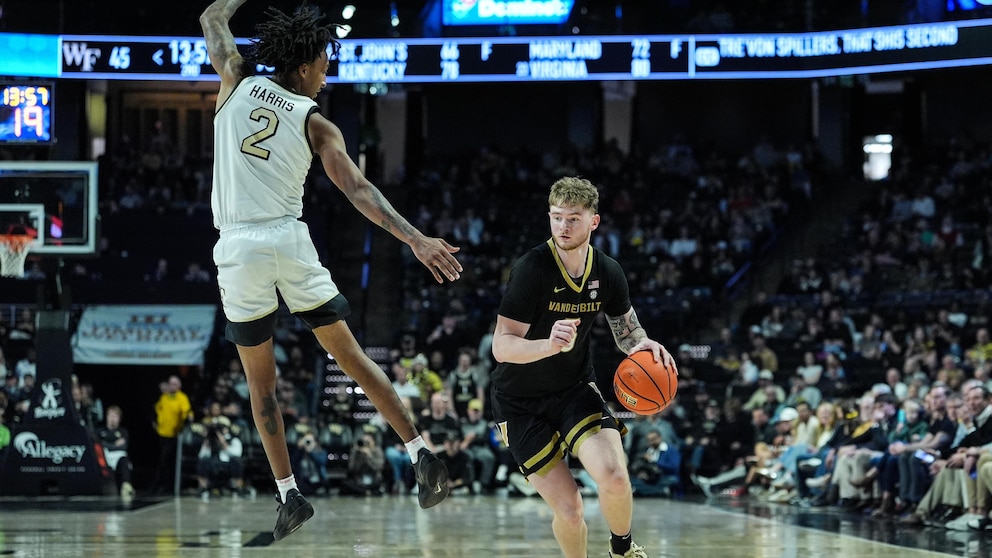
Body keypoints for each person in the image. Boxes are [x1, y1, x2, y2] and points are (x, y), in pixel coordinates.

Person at [199, 0, 462, 541]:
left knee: (261, 383)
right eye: (323, 66)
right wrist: (415, 239)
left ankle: (289, 494)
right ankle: (421, 453)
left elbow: (211, 19)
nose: (326, 75)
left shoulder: (235, 77)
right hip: (288, 239)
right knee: (353, 358)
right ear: (302, 68)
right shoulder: (315, 122)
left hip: (239, 248)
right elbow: (358, 191)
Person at [490, 176, 675, 558]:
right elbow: (501, 346)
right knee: (571, 511)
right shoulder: (532, 268)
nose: (563, 226)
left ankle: (622, 550)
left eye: (573, 218)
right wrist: (548, 344)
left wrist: (642, 344)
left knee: (614, 476)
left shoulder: (607, 271)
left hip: (573, 389)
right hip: (519, 401)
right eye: (556, 217)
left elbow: (628, 331)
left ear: (594, 221)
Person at [151, 375, 193, 494]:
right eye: (171, 384)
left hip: (174, 436)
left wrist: (187, 418)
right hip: (162, 434)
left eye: (175, 384)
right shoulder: (164, 397)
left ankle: (166, 485)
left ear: (179, 386)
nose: (172, 386)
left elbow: (186, 412)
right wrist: (155, 423)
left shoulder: (182, 398)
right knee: (161, 461)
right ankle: (160, 485)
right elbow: (157, 410)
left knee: (167, 461)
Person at [97, 405, 135, 502]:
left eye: (115, 416)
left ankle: (126, 486)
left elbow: (123, 447)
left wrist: (107, 444)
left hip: (118, 456)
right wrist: (114, 444)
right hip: (105, 456)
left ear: (119, 419)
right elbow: (99, 445)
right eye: (110, 415)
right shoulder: (100, 431)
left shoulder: (123, 432)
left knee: (124, 460)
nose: (112, 419)